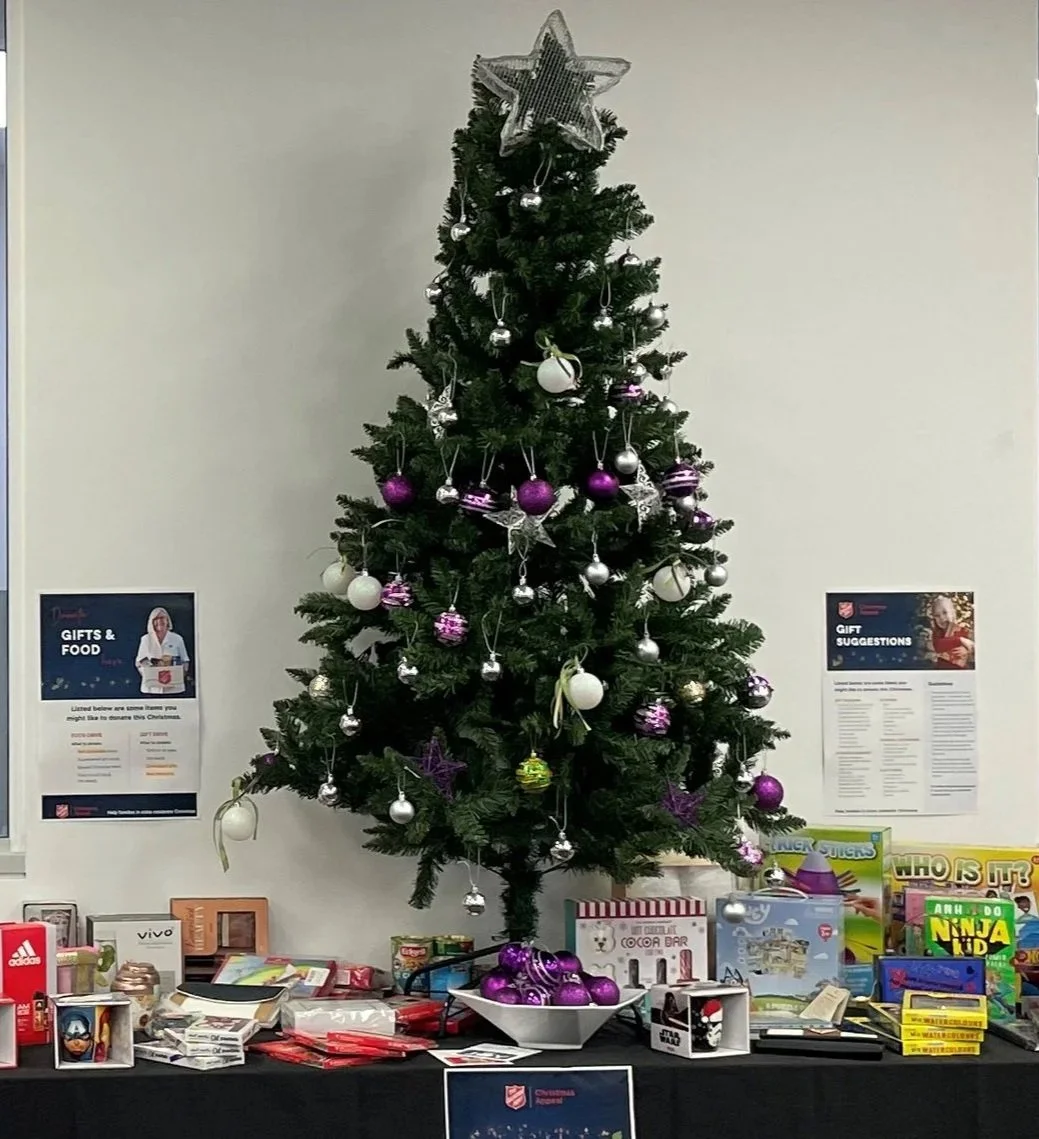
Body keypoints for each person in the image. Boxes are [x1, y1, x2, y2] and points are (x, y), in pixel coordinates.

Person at [135, 606, 190, 695]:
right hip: (151, 689)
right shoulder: (145, 639)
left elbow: (185, 661)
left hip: (174, 689)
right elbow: (139, 662)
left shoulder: (177, 638)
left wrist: (178, 676)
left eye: (162, 618)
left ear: (167, 620)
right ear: (151, 622)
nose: (159, 621)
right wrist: (150, 674)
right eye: (156, 618)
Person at [929, 595, 974, 669]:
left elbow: (973, 647)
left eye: (945, 612)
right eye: (937, 616)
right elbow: (938, 646)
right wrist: (960, 640)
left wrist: (967, 651)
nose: (942, 618)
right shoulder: (937, 633)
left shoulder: (962, 630)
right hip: (941, 669)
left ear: (953, 613)